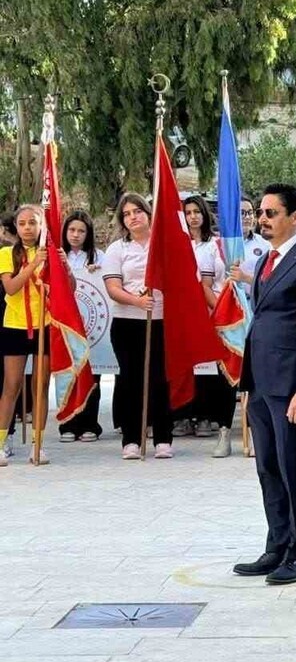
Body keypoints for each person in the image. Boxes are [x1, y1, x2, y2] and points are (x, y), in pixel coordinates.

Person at [232, 184, 296, 585]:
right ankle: (277, 544)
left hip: (290, 387)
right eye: (260, 212)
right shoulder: (267, 260)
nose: (262, 219)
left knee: (292, 466)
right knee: (268, 468)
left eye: (271, 213)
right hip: (261, 383)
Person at [103, 194, 172, 460]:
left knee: (159, 379)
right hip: (127, 323)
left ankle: (163, 438)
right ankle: (131, 438)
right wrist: (137, 301)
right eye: (127, 213)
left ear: (148, 212)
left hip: (161, 321)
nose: (133, 217)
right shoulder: (117, 249)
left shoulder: (162, 244)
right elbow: (112, 288)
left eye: (138, 211)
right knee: (131, 380)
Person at [177, 194, 234, 447]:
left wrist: (219, 310)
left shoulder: (217, 244)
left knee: (212, 368)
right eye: (188, 212)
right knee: (187, 365)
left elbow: (211, 282)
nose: (193, 216)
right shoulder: (178, 243)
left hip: (216, 311)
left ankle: (206, 416)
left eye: (197, 211)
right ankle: (183, 415)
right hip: (185, 313)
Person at [0, 205, 51, 466]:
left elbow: (69, 290)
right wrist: (34, 264)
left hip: (46, 324)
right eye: (23, 223)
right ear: (16, 227)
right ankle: (1, 442)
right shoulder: (7, 253)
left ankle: (38, 443)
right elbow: (10, 288)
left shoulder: (50, 253)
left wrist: (62, 267)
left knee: (40, 385)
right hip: (16, 324)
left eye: (33, 222)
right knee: (11, 385)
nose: (28, 227)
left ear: (41, 225)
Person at [60, 210, 104, 442]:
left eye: (81, 231)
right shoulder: (58, 256)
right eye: (72, 230)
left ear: (88, 234)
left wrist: (98, 273)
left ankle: (89, 423)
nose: (76, 235)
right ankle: (67, 423)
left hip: (92, 326)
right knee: (67, 372)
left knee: (91, 374)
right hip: (65, 325)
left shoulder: (99, 257)